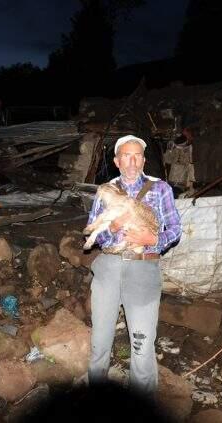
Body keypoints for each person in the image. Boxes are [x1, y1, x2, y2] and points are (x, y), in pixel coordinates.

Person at [86, 134, 182, 397]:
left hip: (143, 268)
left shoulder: (160, 188)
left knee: (142, 343)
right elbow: (93, 231)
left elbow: (175, 229)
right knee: (100, 341)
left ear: (143, 159)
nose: (132, 161)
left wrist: (154, 239)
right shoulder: (106, 190)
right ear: (117, 161)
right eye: (126, 155)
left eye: (137, 155)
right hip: (108, 267)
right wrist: (112, 228)